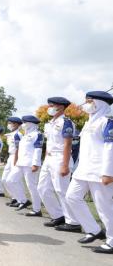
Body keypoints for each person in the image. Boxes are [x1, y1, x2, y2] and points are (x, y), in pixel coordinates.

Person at [66, 91, 113, 254]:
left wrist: (108, 172)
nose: (85, 104)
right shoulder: (89, 122)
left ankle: (112, 241)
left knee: (104, 207)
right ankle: (93, 229)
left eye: (89, 101)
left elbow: (110, 147)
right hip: (83, 170)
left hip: (100, 171)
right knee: (71, 197)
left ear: (99, 103)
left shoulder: (108, 121)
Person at [38, 97, 81, 232]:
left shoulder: (66, 122)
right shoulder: (50, 123)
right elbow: (49, 143)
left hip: (60, 158)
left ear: (61, 107)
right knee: (42, 188)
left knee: (62, 190)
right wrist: (45, 159)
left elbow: (68, 144)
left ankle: (73, 222)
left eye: (52, 105)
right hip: (49, 158)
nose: (49, 107)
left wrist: (64, 164)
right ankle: (58, 215)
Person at [8, 115, 44, 216]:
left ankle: (37, 210)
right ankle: (23, 200)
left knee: (32, 187)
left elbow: (38, 150)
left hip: (30, 164)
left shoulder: (37, 134)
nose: (23, 125)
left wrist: (35, 164)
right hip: (21, 163)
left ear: (30, 124)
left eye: (24, 123)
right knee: (10, 180)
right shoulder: (24, 136)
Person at [2, 117, 23, 207]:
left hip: (16, 156)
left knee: (15, 180)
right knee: (4, 179)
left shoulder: (18, 135)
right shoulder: (11, 134)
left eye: (11, 123)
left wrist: (16, 159)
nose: (9, 125)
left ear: (17, 124)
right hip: (11, 156)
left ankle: (20, 199)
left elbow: (19, 148)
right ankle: (14, 197)